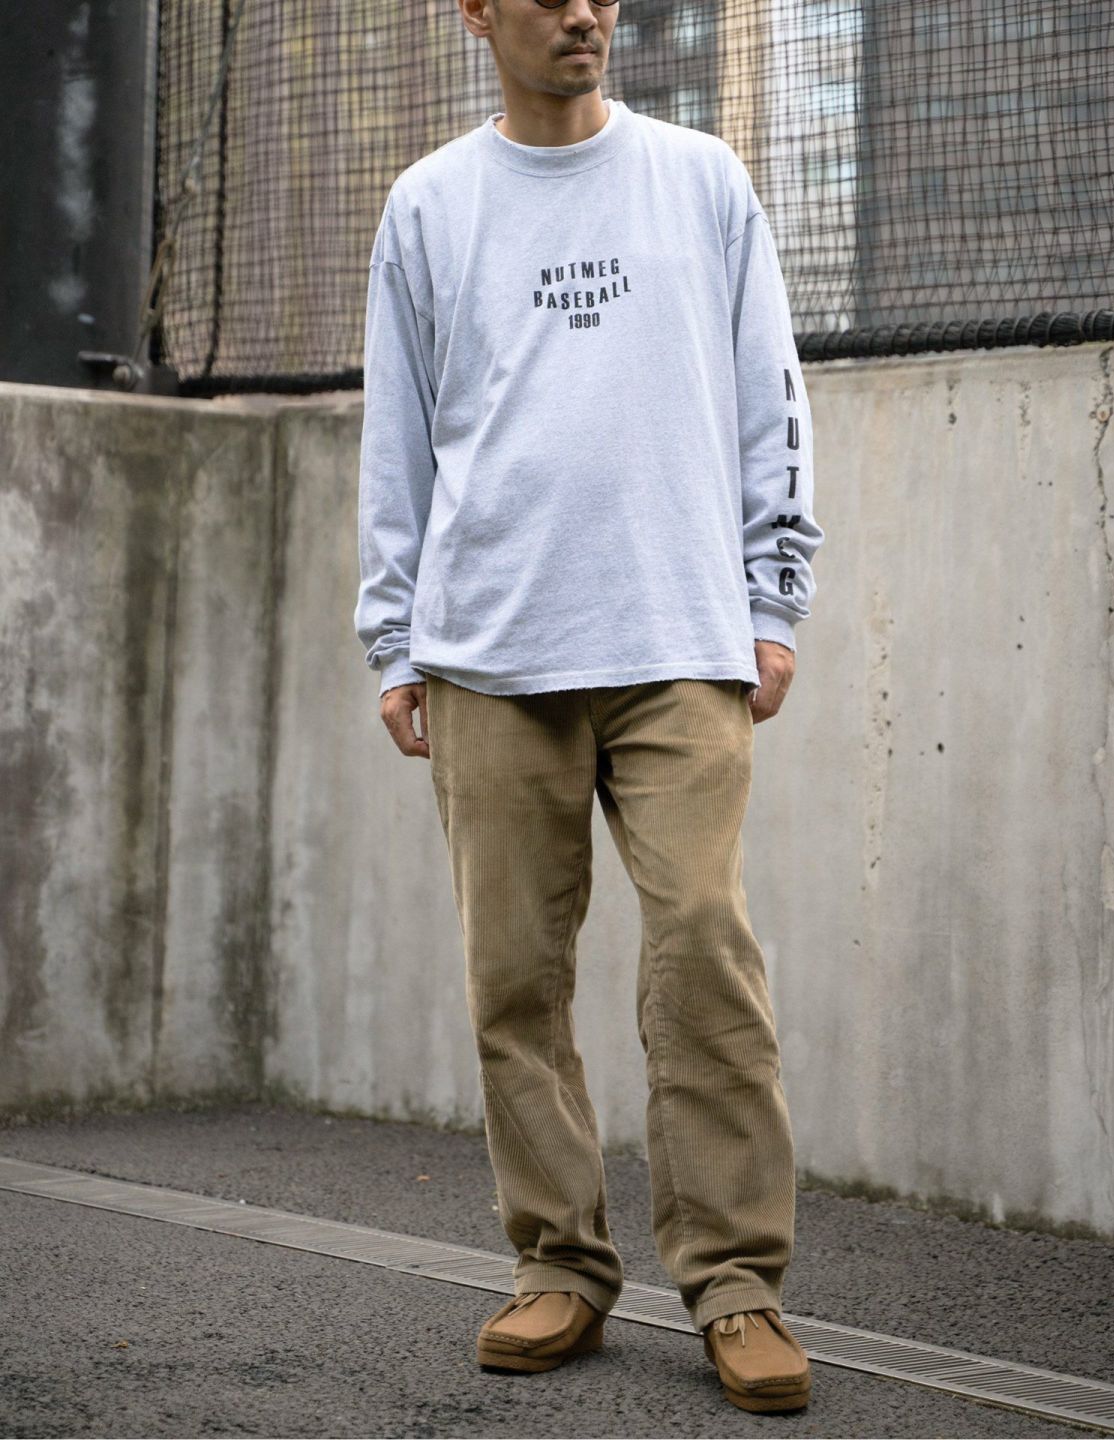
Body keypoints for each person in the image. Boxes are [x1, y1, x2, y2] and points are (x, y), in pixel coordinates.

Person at [354, 0, 824, 1415]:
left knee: (703, 948)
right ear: (475, 12)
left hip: (679, 639)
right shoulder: (431, 205)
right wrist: (395, 638)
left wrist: (773, 601)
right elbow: (398, 437)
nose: (583, 12)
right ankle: (557, 1260)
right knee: (514, 977)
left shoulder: (700, 179)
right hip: (489, 651)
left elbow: (770, 394)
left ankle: (735, 1283)